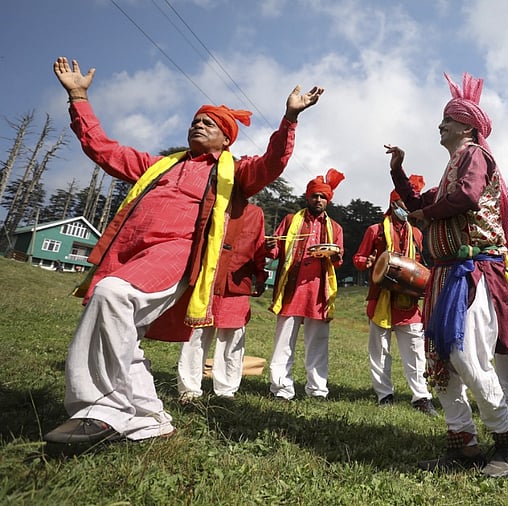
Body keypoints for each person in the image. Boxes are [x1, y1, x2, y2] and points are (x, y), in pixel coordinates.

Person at [44, 56, 324, 446]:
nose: (198, 124)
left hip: (178, 255)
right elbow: (104, 150)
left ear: (227, 139)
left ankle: (100, 410)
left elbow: (272, 162)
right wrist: (78, 97)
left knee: (113, 296)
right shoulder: (158, 165)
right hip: (130, 254)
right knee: (118, 321)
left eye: (209, 123)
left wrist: (289, 119)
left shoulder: (234, 172)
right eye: (196, 119)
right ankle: (147, 418)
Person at [385, 71, 508, 478]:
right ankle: (462, 443)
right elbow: (417, 200)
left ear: (467, 126)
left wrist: (425, 214)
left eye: (448, 118)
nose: (440, 124)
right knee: (440, 359)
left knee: (466, 355)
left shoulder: (474, 157)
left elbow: (464, 198)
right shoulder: (452, 167)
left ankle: (507, 441)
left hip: (473, 269)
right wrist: (399, 170)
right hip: (446, 274)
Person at [352, 181, 438, 416]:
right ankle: (384, 395)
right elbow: (359, 258)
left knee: (415, 350)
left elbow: (420, 264)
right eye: (403, 203)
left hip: (408, 303)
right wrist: (367, 263)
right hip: (380, 298)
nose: (407, 207)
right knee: (379, 349)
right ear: (393, 203)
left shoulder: (417, 233)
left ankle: (421, 396)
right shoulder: (375, 230)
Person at [176, 203, 268, 401]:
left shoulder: (255, 213)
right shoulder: (210, 205)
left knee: (233, 336)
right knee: (197, 332)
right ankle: (189, 389)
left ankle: (226, 390)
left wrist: (260, 277)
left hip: (237, 283)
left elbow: (259, 248)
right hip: (207, 280)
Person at [268, 170, 345, 400]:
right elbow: (275, 249)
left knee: (318, 343)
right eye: (315, 196)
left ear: (327, 200)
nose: (318, 200)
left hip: (319, 293)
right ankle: (281, 389)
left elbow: (338, 259)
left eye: (323, 197)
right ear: (307, 197)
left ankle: (317, 391)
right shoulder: (291, 221)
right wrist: (269, 246)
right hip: (291, 291)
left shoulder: (336, 228)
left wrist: (332, 254)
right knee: (283, 343)